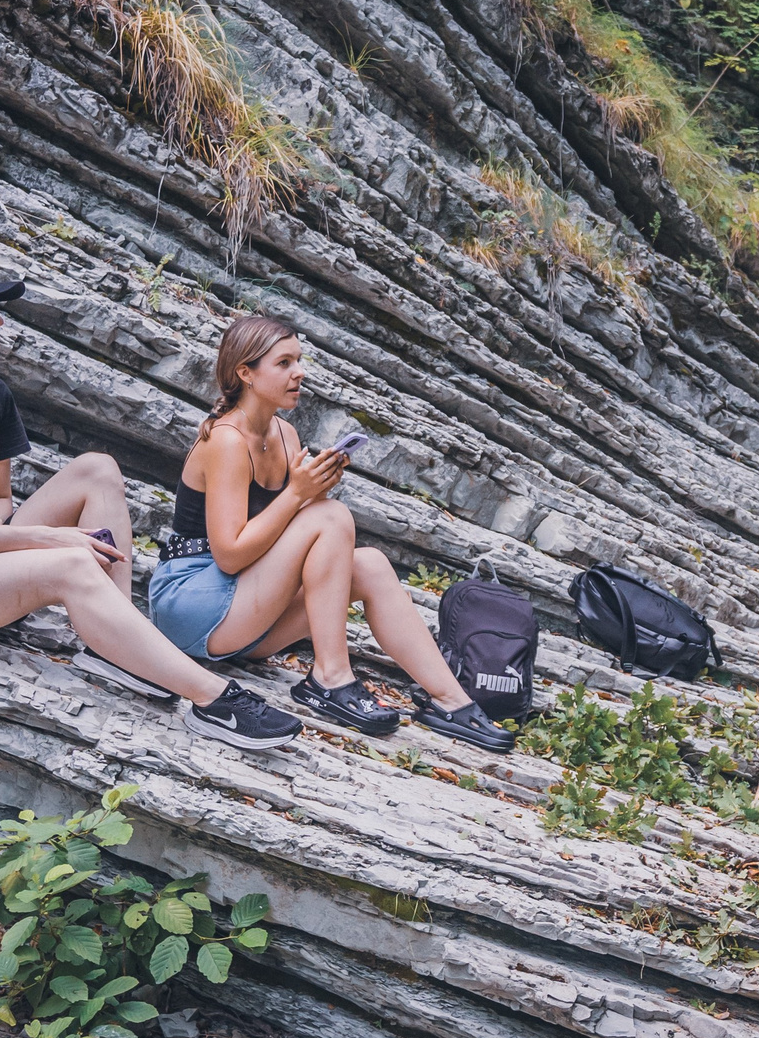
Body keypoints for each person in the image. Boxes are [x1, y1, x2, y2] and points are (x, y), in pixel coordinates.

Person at [0, 252, 303, 751]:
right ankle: (213, 700)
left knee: (98, 469)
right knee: (69, 564)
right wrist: (42, 540)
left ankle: (113, 645)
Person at [147, 315, 516, 753]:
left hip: (241, 612)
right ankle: (331, 679)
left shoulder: (283, 433)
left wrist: (310, 493)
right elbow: (228, 554)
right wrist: (300, 497)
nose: (299, 372)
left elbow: (279, 532)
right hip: (191, 605)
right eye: (283, 363)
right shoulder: (227, 440)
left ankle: (451, 702)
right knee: (332, 517)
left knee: (371, 565)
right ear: (245, 372)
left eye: (298, 361)